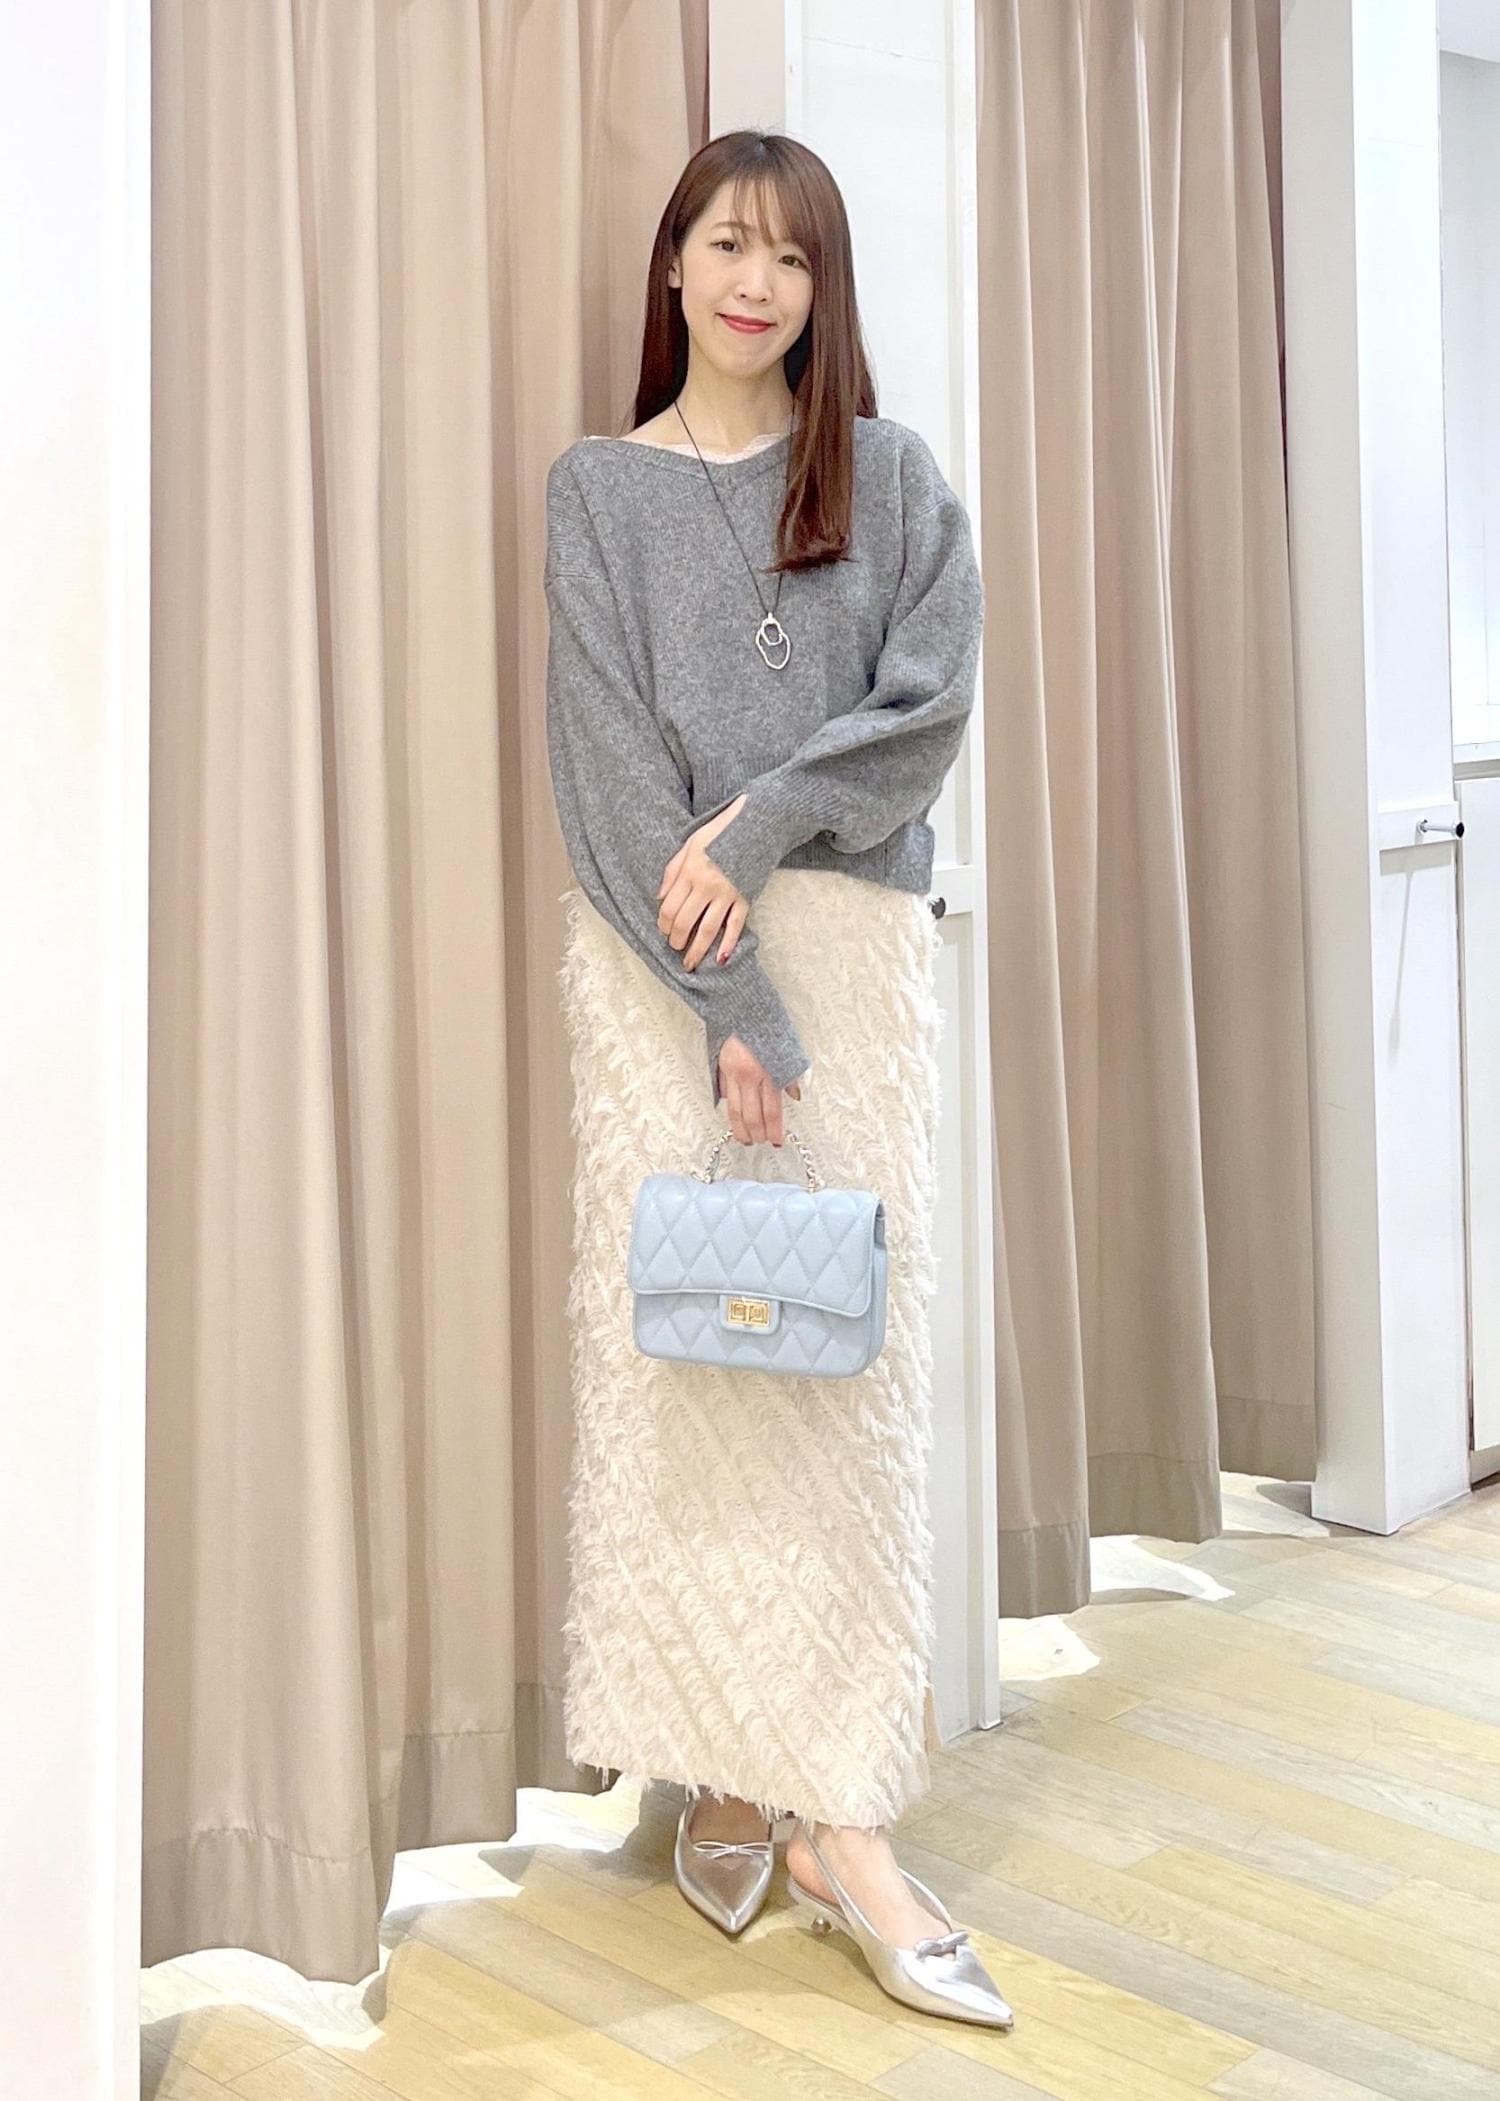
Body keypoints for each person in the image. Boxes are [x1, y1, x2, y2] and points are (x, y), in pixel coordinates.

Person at [543, 128, 1010, 2032]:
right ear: (672, 266)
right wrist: (728, 998)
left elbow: (926, 708)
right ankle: (720, 1760)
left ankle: (846, 1819)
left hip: (848, 954)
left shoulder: (889, 478)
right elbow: (604, 784)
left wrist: (759, 828)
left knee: (839, 1388)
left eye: (794, 257)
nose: (758, 284)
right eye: (729, 246)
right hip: (663, 973)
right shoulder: (596, 492)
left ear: (825, 290)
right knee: (693, 1375)